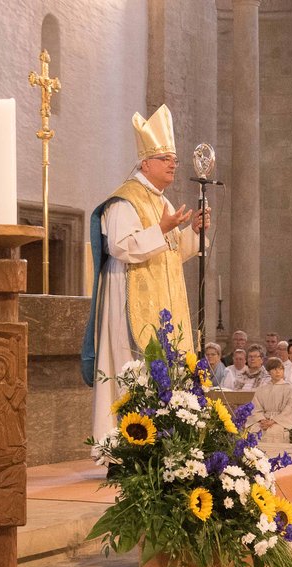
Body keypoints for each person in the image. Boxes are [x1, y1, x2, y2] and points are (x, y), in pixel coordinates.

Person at [81, 104, 211, 441]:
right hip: (128, 303)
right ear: (145, 163)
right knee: (131, 369)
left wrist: (192, 232)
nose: (173, 164)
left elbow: (171, 254)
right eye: (165, 158)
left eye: (174, 159)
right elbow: (121, 247)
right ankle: (122, 444)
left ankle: (162, 443)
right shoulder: (125, 201)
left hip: (161, 308)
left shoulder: (163, 202)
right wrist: (162, 229)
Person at [246, 357, 292, 443]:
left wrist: (273, 421)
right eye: (274, 369)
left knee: (273, 431)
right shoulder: (262, 388)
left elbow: (288, 410)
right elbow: (256, 408)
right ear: (269, 371)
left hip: (280, 421)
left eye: (280, 369)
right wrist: (262, 420)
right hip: (264, 419)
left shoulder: (288, 389)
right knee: (255, 429)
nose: (278, 372)